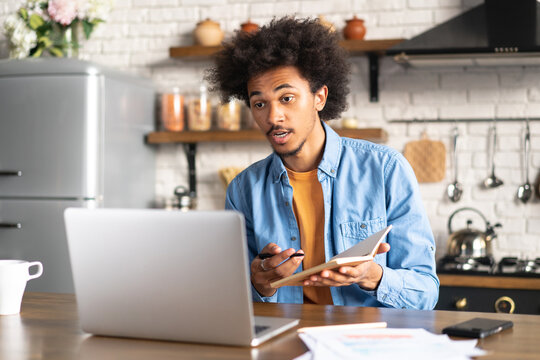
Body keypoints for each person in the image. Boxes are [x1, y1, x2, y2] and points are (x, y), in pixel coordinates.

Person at [207, 17, 439, 309]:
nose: (273, 116)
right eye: (260, 103)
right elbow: (234, 298)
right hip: (286, 342)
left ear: (320, 97)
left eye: (287, 98)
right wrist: (259, 284)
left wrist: (372, 275)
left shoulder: (386, 170)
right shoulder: (243, 190)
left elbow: (426, 294)